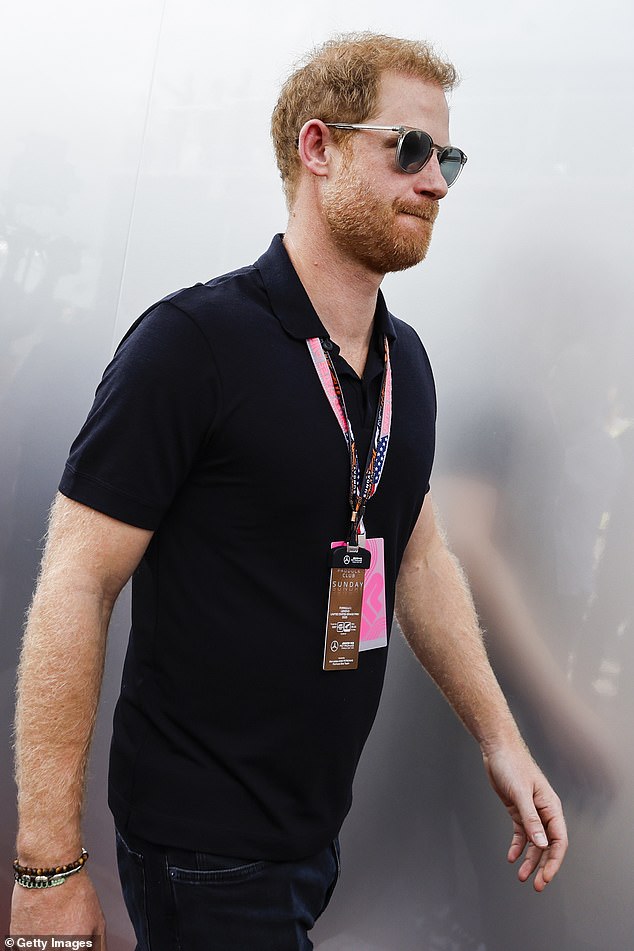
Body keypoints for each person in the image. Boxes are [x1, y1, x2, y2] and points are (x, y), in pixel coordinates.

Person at [10, 32, 567, 951]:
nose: (435, 181)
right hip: (202, 847)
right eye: (410, 148)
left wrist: (499, 739)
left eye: (449, 158)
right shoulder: (192, 343)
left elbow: (417, 555)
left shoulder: (406, 365)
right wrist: (47, 866)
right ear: (319, 148)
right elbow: (76, 582)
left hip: (312, 836)